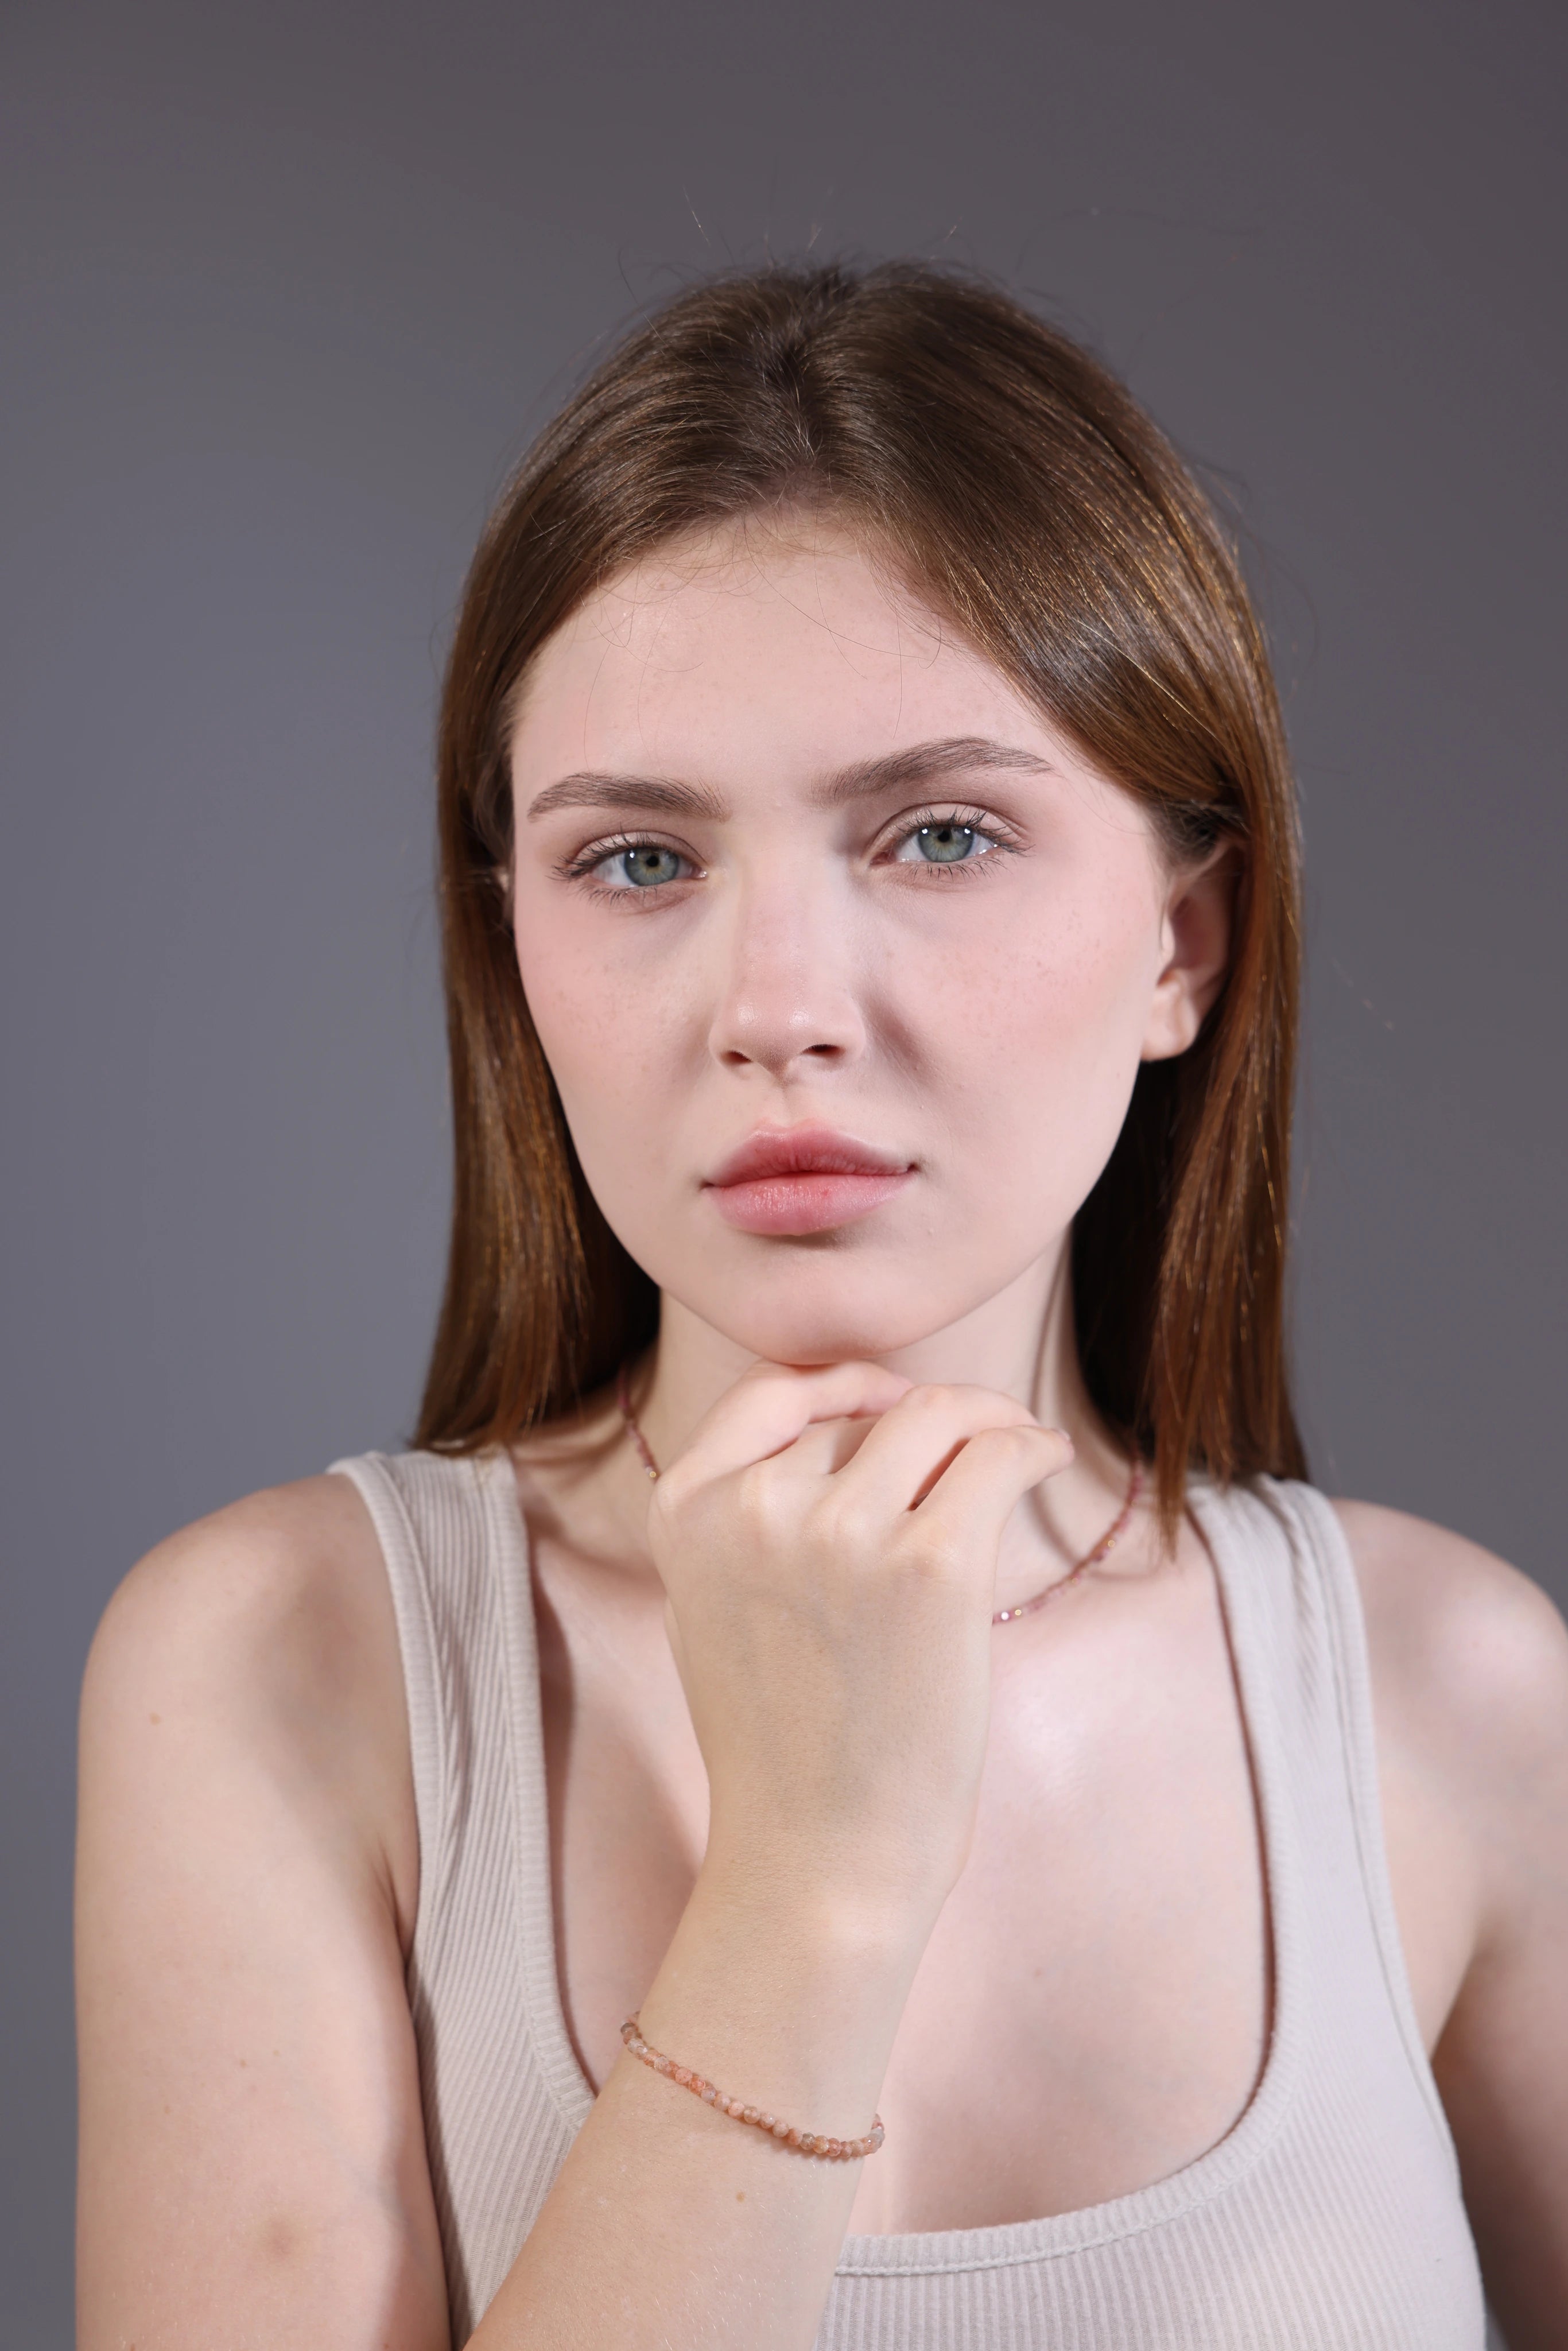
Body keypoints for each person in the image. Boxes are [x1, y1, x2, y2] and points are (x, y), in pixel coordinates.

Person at [75, 263, 1568, 2351]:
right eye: (636, 863)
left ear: (1182, 946)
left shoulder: (1464, 1704)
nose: (778, 1008)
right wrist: (810, 1889)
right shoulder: (282, 1669)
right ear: (511, 942)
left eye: (938, 834)